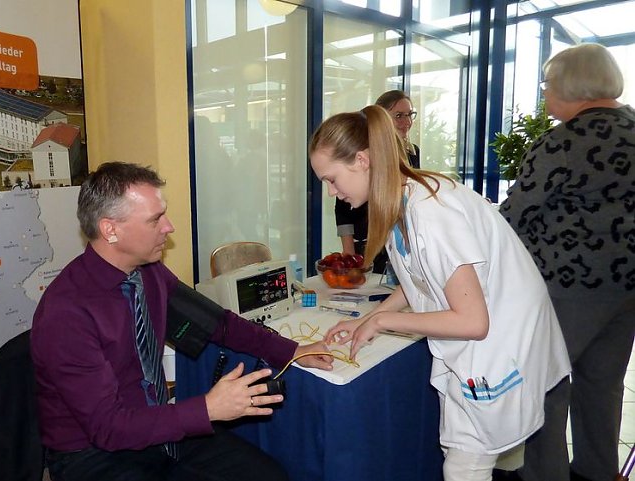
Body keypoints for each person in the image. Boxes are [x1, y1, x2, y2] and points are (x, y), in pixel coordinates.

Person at [310, 105, 570, 481]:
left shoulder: (431, 211)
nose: (332, 192)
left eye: (332, 179)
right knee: (458, 454)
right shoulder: (406, 200)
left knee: (465, 466)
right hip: (481, 347)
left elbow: (473, 321)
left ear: (362, 160)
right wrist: (365, 319)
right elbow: (420, 281)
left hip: (498, 347)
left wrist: (381, 320)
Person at [31, 161, 333, 481]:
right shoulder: (66, 314)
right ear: (111, 229)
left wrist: (291, 350)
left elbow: (217, 324)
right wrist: (208, 409)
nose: (169, 226)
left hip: (158, 429)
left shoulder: (147, 271)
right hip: (95, 453)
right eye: (155, 219)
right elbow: (108, 428)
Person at [498, 43, 635, 481]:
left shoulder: (563, 142)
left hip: (567, 290)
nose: (544, 94)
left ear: (572, 86)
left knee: (547, 386)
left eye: (547, 85)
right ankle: (597, 471)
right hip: (626, 289)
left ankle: (544, 475)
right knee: (602, 383)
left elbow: (515, 215)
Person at [335, 90, 420, 273]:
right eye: (399, 116)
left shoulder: (413, 153)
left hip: (397, 240)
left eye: (410, 115)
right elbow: (342, 207)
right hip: (367, 243)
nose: (407, 122)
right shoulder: (364, 154)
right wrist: (349, 251)